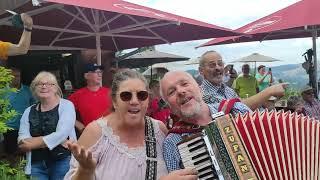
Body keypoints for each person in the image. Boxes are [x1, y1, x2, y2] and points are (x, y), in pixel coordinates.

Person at [64, 69, 197, 180]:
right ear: (114, 101)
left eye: (141, 95)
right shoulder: (96, 132)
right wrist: (85, 172)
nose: (134, 101)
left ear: (148, 100)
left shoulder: (159, 129)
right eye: (126, 96)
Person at [18, 71, 77, 179]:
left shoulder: (66, 106)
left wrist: (33, 143)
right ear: (34, 88)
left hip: (62, 162)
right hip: (36, 165)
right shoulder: (28, 111)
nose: (44, 86)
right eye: (39, 84)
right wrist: (59, 140)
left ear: (56, 88)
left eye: (49, 83)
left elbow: (62, 134)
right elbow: (22, 142)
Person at [198, 50, 287, 111]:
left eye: (220, 64)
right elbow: (238, 109)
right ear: (201, 71)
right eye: (212, 65)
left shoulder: (227, 89)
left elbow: (241, 101)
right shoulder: (203, 95)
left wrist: (265, 101)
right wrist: (269, 92)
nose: (218, 67)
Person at [68, 63, 112, 136]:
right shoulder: (77, 95)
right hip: (91, 135)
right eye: (96, 72)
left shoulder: (109, 92)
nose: (100, 74)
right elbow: (64, 113)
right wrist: (80, 126)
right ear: (86, 76)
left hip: (111, 133)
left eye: (100, 72)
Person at [3, 67, 34, 159]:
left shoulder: (28, 90)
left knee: (26, 152)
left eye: (17, 76)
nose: (15, 78)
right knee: (11, 153)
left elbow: (34, 106)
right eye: (12, 76)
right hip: (9, 128)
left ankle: (26, 171)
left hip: (26, 126)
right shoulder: (3, 92)